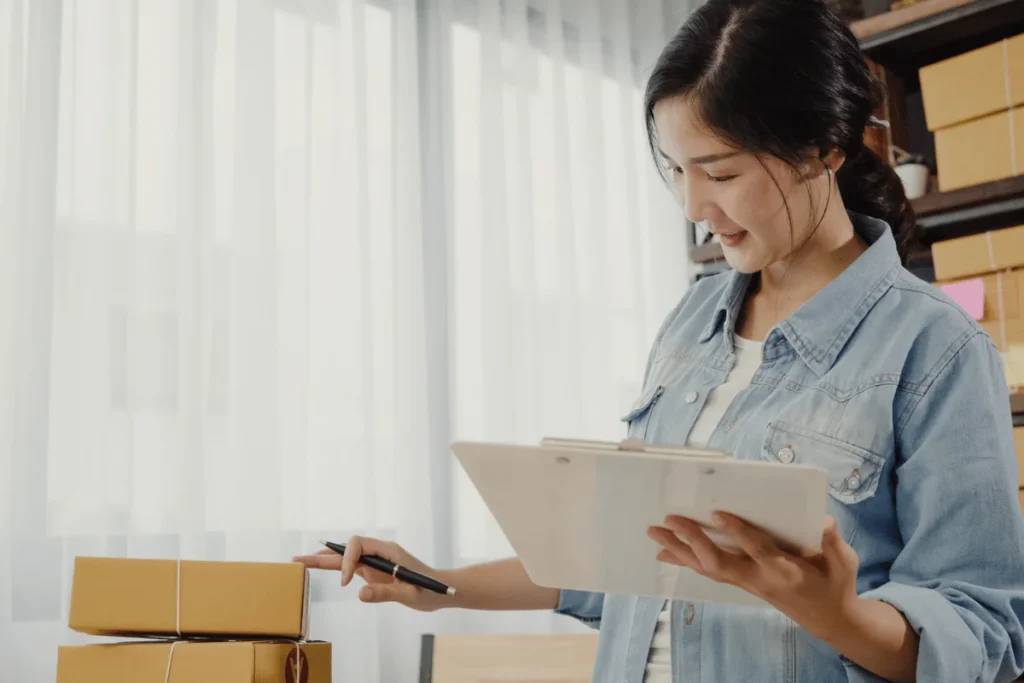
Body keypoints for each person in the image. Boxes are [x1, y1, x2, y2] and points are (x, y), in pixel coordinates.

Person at [294, 1, 1024, 681]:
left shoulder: (938, 350)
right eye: (676, 169)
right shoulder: (691, 319)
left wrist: (840, 615)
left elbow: (984, 633)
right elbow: (629, 564)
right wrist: (439, 582)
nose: (694, 207)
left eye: (722, 172)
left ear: (824, 148)